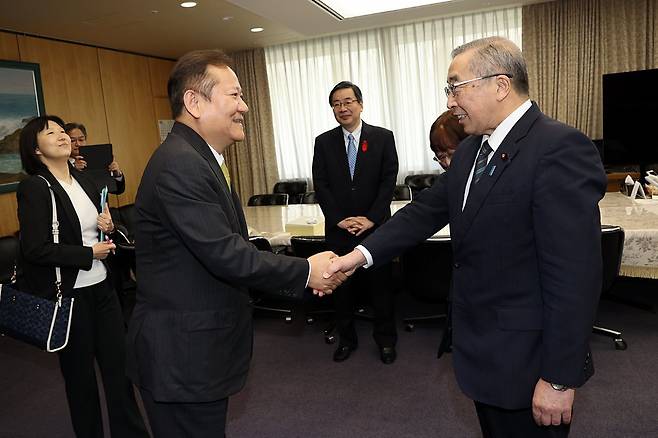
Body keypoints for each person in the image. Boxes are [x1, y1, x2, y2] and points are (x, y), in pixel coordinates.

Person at [325, 37, 607, 437]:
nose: (450, 101)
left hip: (529, 362)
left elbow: (575, 277)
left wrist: (560, 378)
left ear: (500, 85)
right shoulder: (474, 150)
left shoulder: (558, 148)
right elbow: (421, 214)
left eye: (455, 87)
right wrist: (355, 258)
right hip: (483, 354)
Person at [125, 49, 345, 438]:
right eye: (235, 96)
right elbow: (226, 253)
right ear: (194, 102)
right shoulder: (180, 163)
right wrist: (307, 270)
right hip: (182, 353)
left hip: (198, 347)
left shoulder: (200, 158)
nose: (244, 106)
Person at [16, 115, 148, 438]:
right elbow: (35, 249)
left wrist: (109, 227)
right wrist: (88, 255)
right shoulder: (36, 187)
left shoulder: (86, 181)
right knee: (80, 381)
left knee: (120, 372)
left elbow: (103, 227)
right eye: (52, 133)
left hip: (104, 290)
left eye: (63, 131)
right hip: (69, 299)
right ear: (35, 149)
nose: (62, 136)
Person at [312, 81, 399, 364]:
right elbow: (321, 185)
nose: (343, 108)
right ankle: (346, 340)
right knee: (341, 290)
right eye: (336, 104)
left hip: (375, 230)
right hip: (340, 230)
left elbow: (389, 181)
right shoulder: (323, 142)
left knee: (381, 288)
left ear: (360, 104)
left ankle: (386, 341)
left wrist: (371, 219)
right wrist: (338, 220)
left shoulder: (383, 137)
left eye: (348, 101)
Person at [64, 122, 126, 194]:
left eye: (81, 140)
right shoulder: (61, 165)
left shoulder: (97, 158)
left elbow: (118, 190)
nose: (78, 144)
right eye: (72, 140)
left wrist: (117, 174)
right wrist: (74, 170)